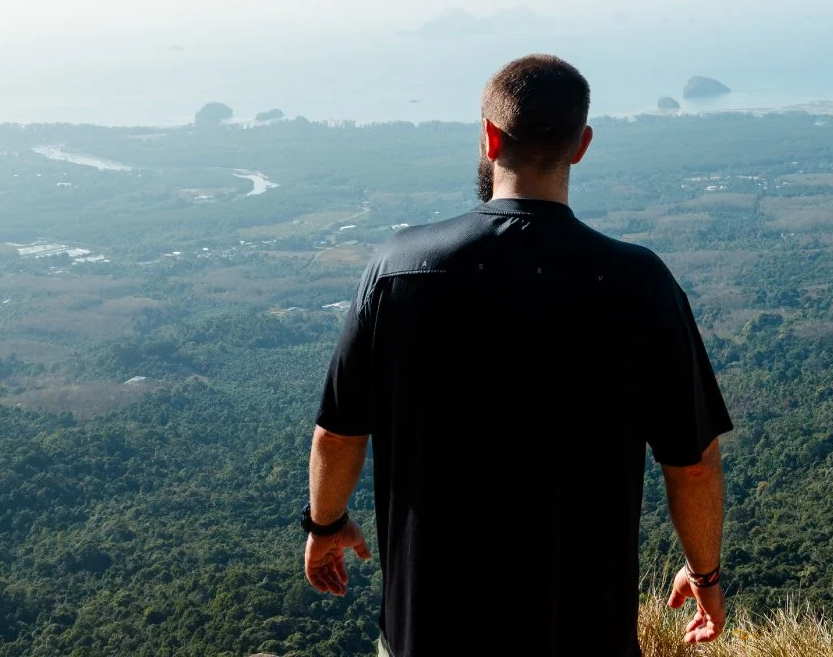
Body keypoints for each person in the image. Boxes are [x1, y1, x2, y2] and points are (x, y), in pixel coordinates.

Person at [301, 54, 732, 657]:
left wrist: (325, 524)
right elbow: (694, 466)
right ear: (581, 146)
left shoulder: (397, 269)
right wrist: (704, 574)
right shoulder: (641, 284)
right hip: (583, 632)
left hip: (428, 629)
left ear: (489, 137)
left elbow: (338, 434)